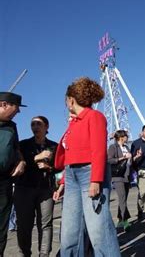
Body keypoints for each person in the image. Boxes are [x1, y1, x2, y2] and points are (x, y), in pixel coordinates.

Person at [54, 77, 120, 256]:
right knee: (69, 234)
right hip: (71, 174)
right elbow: (68, 153)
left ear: (71, 99)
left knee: (99, 232)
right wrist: (63, 184)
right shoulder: (74, 121)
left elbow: (99, 149)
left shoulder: (95, 116)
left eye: (66, 99)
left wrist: (96, 180)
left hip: (90, 173)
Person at [15, 116, 57, 257]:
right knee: (24, 225)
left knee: (46, 224)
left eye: (38, 124)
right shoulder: (23, 145)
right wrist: (37, 157)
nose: (35, 126)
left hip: (45, 189)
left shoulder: (54, 146)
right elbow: (17, 162)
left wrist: (49, 167)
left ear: (46, 127)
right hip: (24, 188)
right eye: (32, 124)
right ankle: (24, 253)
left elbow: (60, 166)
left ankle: (44, 254)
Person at [0, 92, 26, 256]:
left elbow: (17, 150)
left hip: (4, 182)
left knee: (2, 225)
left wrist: (22, 161)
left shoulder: (12, 127)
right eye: (16, 107)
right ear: (3, 105)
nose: (19, 111)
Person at [107, 130, 132, 231]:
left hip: (126, 175)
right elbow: (109, 160)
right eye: (126, 136)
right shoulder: (113, 147)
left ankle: (120, 220)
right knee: (122, 198)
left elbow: (129, 161)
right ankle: (125, 220)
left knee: (124, 198)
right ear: (121, 137)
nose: (127, 137)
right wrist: (122, 158)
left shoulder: (126, 147)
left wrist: (135, 157)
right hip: (117, 176)